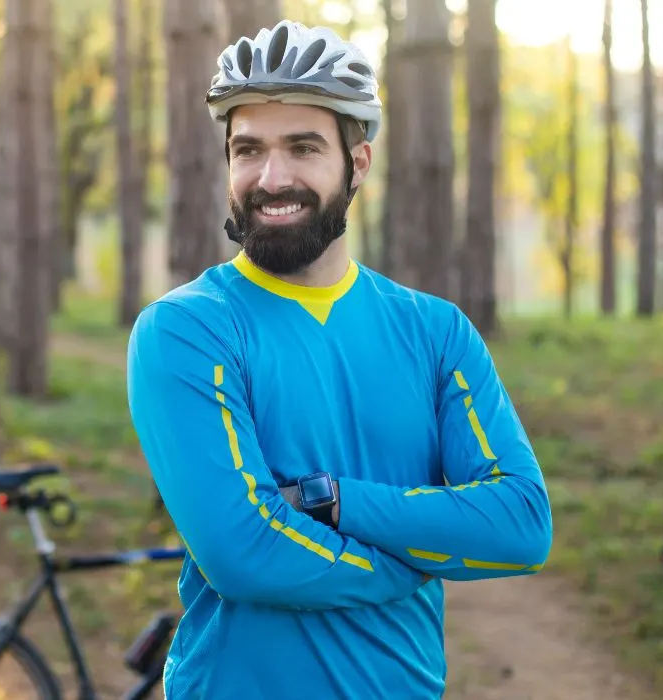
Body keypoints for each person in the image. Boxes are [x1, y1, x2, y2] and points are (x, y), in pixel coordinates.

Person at [126, 20, 553, 699]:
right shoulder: (187, 329)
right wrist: (408, 564)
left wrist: (336, 502)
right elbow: (245, 554)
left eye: (302, 147)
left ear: (357, 162)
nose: (272, 177)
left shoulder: (436, 331)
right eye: (248, 150)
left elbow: (521, 524)